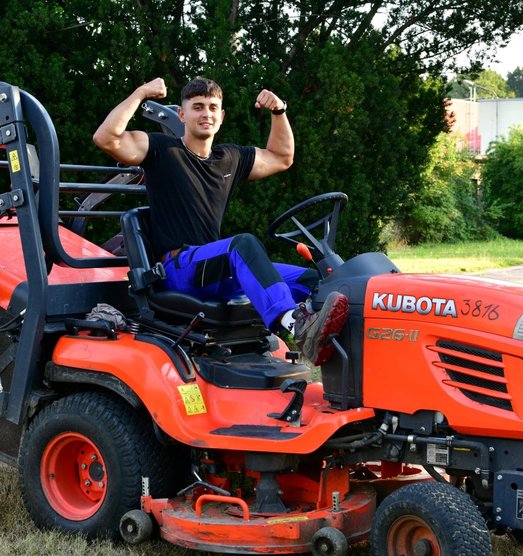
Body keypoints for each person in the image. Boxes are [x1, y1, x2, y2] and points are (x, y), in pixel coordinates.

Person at [93, 76, 348, 365]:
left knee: (315, 279)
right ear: (182, 114)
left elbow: (281, 157)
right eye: (198, 107)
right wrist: (141, 92)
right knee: (242, 245)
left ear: (222, 116)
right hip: (177, 269)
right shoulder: (160, 149)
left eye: (213, 107)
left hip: (218, 269)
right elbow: (107, 138)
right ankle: (296, 325)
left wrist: (279, 112)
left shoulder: (230, 157)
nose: (206, 114)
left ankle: (333, 351)